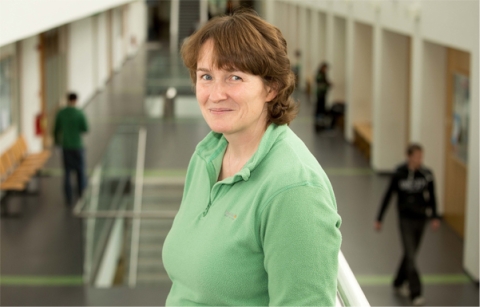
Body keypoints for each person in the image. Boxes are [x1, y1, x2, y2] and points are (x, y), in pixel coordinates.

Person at [162, 10, 342, 306]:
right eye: (206, 76)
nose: (216, 94)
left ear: (271, 87)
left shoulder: (294, 190)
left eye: (234, 77)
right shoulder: (207, 157)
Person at [375, 143, 440, 306]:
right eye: (416, 156)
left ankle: (398, 282)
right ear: (409, 156)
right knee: (411, 255)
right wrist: (379, 218)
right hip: (405, 219)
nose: (419, 160)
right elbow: (388, 195)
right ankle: (415, 292)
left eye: (421, 157)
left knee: (410, 254)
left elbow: (432, 196)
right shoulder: (399, 174)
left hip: (421, 219)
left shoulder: (427, 174)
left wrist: (435, 216)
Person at [54, 93, 88, 206]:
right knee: (80, 170)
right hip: (78, 146)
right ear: (76, 100)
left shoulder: (61, 113)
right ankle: (81, 193)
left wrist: (58, 142)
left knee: (67, 172)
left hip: (66, 146)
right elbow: (85, 128)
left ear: (67, 99)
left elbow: (55, 130)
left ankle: (68, 197)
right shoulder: (79, 113)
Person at [315, 62, 332, 128]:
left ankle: (321, 119)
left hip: (323, 93)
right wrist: (327, 85)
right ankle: (319, 120)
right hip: (320, 93)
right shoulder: (320, 75)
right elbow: (320, 84)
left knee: (322, 106)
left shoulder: (323, 74)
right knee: (319, 106)